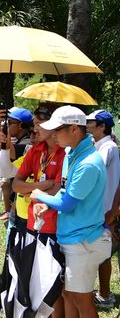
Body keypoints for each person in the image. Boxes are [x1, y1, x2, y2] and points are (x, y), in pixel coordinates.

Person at [32, 106, 111, 318]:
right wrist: (48, 204)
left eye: (57, 130)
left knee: (81, 300)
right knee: (68, 295)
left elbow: (67, 204)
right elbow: (65, 193)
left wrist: (39, 195)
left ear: (74, 129)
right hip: (72, 238)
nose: (53, 134)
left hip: (83, 241)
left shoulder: (88, 164)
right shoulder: (71, 154)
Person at [9, 108, 66, 317]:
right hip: (33, 223)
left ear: (52, 126)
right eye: (33, 123)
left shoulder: (64, 153)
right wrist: (44, 185)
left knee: (54, 286)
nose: (34, 128)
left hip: (56, 226)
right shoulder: (36, 149)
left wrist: (36, 189)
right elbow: (16, 184)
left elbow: (60, 188)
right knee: (37, 280)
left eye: (38, 124)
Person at [86, 109, 120, 309]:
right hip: (101, 209)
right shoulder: (101, 145)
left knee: (103, 254)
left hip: (105, 211)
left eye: (91, 122)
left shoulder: (107, 147)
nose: (87, 125)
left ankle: (105, 296)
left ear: (101, 127)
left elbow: (93, 171)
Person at [0, 107, 33, 223]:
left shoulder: (26, 144)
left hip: (24, 206)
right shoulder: (22, 141)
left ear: (20, 125)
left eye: (9, 123)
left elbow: (2, 147)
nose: (6, 125)